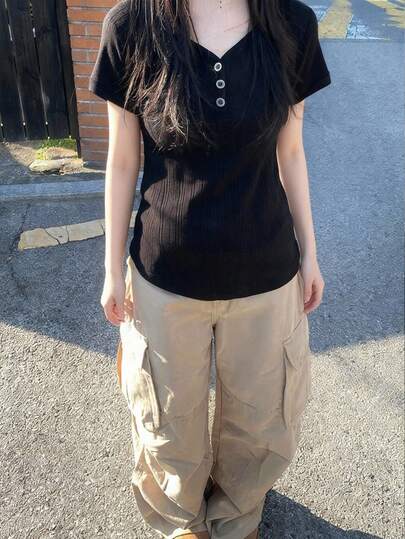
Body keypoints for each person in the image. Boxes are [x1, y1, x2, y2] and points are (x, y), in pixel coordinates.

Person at [88, 0, 332, 537]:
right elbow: (123, 160)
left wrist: (310, 253)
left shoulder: (291, 24)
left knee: (260, 418)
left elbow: (291, 151)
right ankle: (183, 522)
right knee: (168, 420)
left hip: (265, 273)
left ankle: (238, 517)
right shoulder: (131, 26)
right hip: (165, 276)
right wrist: (111, 269)